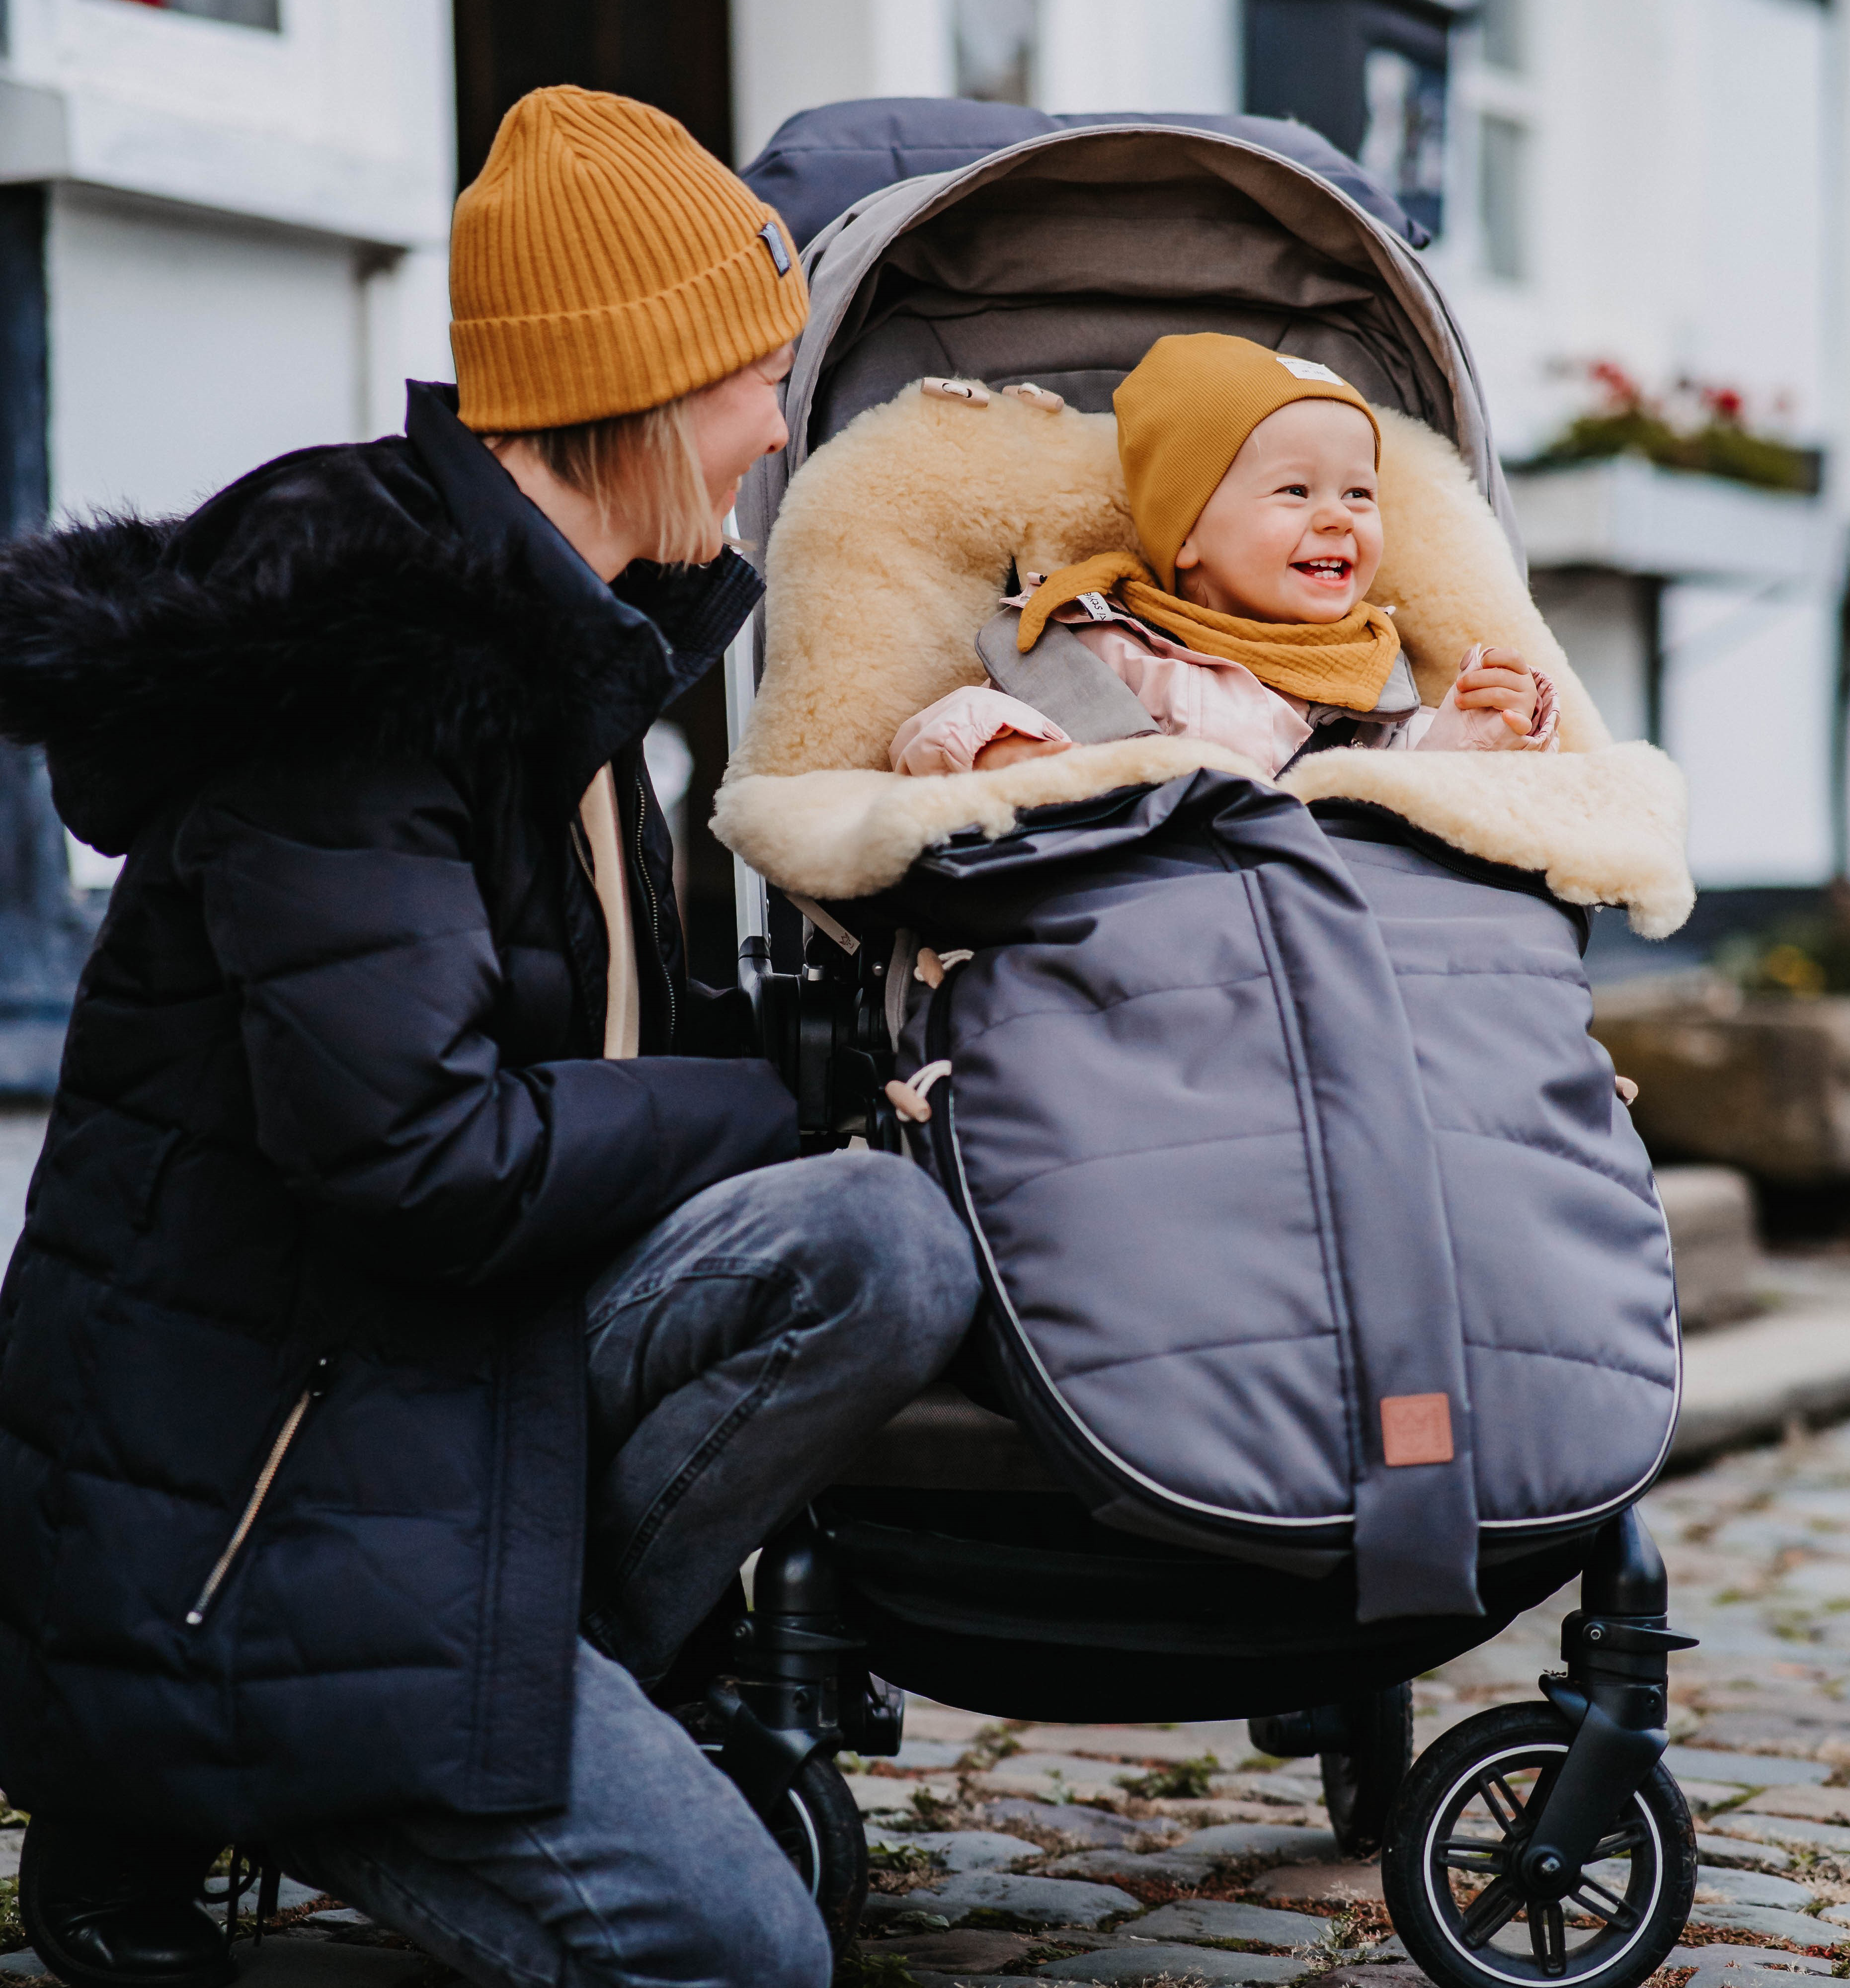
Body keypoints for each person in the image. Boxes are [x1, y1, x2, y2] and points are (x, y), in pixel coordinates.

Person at [0, 86, 979, 1988]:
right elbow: (420, 1164)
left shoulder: (589, 650)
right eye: (751, 382)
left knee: (876, 1244)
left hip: (447, 1381)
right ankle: (215, 1756)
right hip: (264, 1497)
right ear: (632, 382)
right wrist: (766, 1104)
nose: (779, 431)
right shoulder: (363, 672)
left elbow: (617, 1071)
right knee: (741, 1958)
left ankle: (482, 1697)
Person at [889, 332, 1560, 780]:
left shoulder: (1372, 677)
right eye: (1295, 491)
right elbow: (940, 727)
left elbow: (1421, 790)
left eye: (1359, 492)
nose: (1337, 516)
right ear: (1187, 534)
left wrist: (1493, 727)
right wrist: (1013, 755)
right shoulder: (1113, 650)